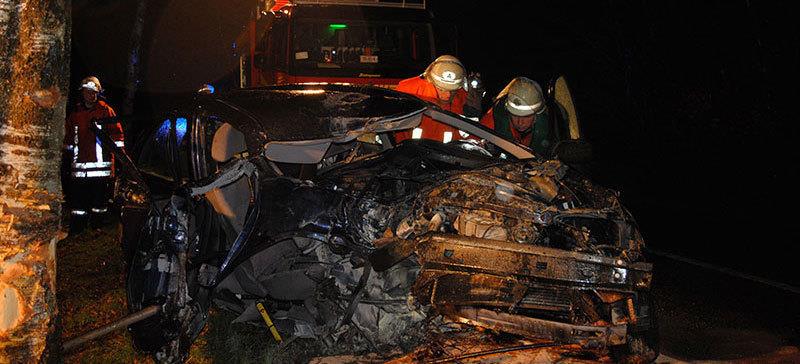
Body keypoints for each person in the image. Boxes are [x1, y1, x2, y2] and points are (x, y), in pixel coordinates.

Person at [63, 76, 125, 232]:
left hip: (101, 171)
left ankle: (97, 231)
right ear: (82, 92)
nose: (91, 95)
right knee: (78, 207)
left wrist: (119, 158)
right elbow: (69, 140)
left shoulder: (106, 111)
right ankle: (77, 232)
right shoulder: (75, 114)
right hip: (79, 171)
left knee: (99, 206)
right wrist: (65, 159)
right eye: (88, 92)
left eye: (94, 92)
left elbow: (117, 137)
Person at [394, 55, 477, 143]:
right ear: (430, 80)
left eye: (452, 90)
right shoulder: (409, 90)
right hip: (408, 153)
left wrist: (473, 113)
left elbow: (469, 135)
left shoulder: (465, 98)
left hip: (445, 154)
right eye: (441, 89)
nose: (447, 95)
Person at [481, 77, 552, 156]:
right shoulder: (496, 115)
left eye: (526, 116)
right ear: (508, 111)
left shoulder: (550, 127)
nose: (520, 122)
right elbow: (474, 137)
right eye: (515, 115)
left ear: (537, 115)